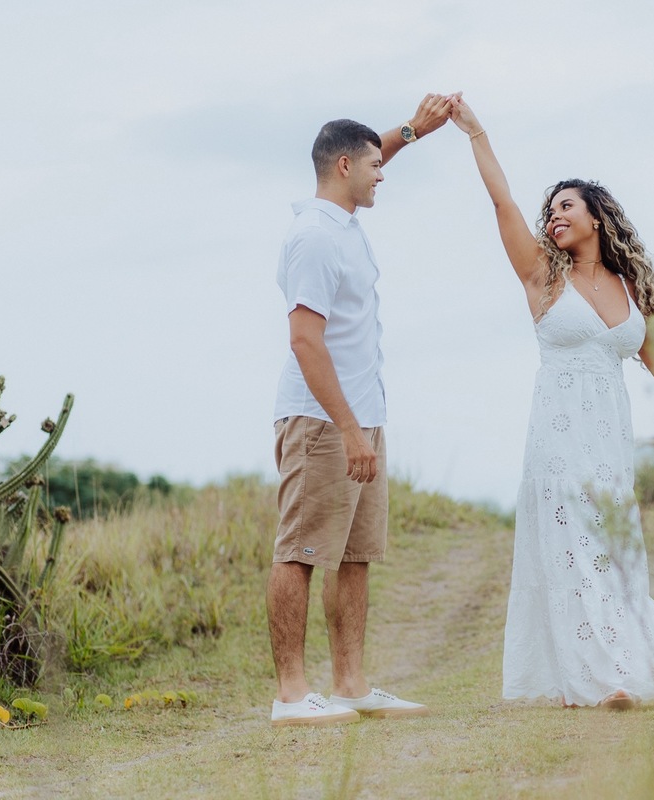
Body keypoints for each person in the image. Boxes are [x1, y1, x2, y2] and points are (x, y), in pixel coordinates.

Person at [448, 97, 654, 709]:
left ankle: (621, 667)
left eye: (566, 206)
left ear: (597, 219)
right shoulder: (542, 276)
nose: (553, 216)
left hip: (609, 437)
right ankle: (606, 680)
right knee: (573, 543)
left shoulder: (630, 288)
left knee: (613, 547)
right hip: (557, 434)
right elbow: (502, 203)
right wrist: (476, 133)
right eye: (550, 209)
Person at [267, 95, 453, 727]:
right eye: (375, 164)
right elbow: (304, 339)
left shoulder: (343, 222)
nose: (384, 172)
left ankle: (350, 683)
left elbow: (372, 148)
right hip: (323, 421)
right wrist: (348, 430)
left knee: (353, 555)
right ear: (344, 166)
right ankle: (292, 694)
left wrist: (410, 131)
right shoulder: (315, 237)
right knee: (300, 551)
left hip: (360, 419)